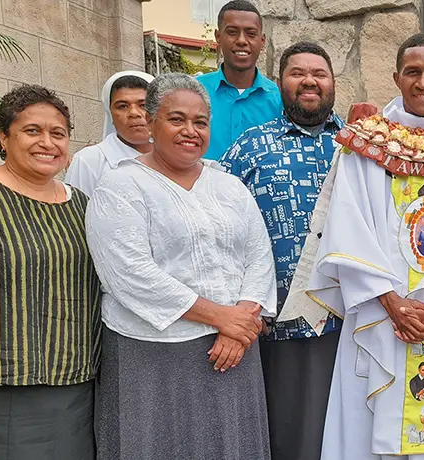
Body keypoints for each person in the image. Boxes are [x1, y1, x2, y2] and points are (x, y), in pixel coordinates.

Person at [309, 33, 424, 460]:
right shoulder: (365, 146)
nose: (423, 82)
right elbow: (347, 228)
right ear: (396, 77)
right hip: (381, 315)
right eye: (412, 72)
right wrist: (394, 304)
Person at [86, 73, 277, 459]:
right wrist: (220, 316)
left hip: (233, 348)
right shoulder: (121, 186)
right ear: (151, 123)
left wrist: (239, 320)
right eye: (176, 119)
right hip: (155, 355)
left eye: (200, 122)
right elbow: (129, 273)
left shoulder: (229, 185)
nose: (190, 131)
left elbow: (259, 254)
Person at [0, 85, 101, 459]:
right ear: (3, 138)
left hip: (74, 386)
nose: (47, 143)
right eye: (32, 130)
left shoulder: (81, 205)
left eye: (58, 133)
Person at [219, 41, 344, 460]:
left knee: (340, 433)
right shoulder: (250, 147)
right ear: (279, 83)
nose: (309, 81)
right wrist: (241, 305)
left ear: (332, 84)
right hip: (271, 322)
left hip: (347, 321)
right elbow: (222, 230)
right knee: (280, 433)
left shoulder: (360, 147)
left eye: (319, 74)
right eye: (297, 73)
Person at [197, 0, 282, 160]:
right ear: (218, 36)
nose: (242, 40)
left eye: (251, 33)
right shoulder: (195, 91)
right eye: (232, 32)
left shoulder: (278, 99)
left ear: (262, 41)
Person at [66, 70, 154, 196]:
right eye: (122, 106)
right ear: (110, 114)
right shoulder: (89, 161)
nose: (134, 113)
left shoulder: (174, 156)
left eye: (144, 105)